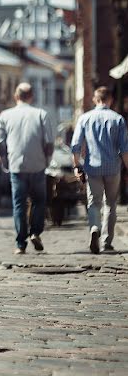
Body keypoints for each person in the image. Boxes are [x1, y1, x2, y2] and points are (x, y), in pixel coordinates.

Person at [0, 83, 53, 255]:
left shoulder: (5, 115)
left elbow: (0, 143)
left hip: (16, 166)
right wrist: (47, 160)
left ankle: (21, 243)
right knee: (39, 201)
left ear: (16, 96)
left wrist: (5, 162)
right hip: (38, 165)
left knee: (19, 204)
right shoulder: (41, 114)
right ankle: (35, 232)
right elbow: (49, 142)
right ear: (31, 96)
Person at [70, 86, 128, 254]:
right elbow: (124, 149)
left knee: (94, 203)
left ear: (95, 100)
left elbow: (75, 145)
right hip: (113, 168)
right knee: (110, 204)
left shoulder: (85, 118)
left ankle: (94, 227)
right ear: (110, 100)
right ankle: (106, 241)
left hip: (92, 167)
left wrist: (76, 165)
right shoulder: (118, 119)